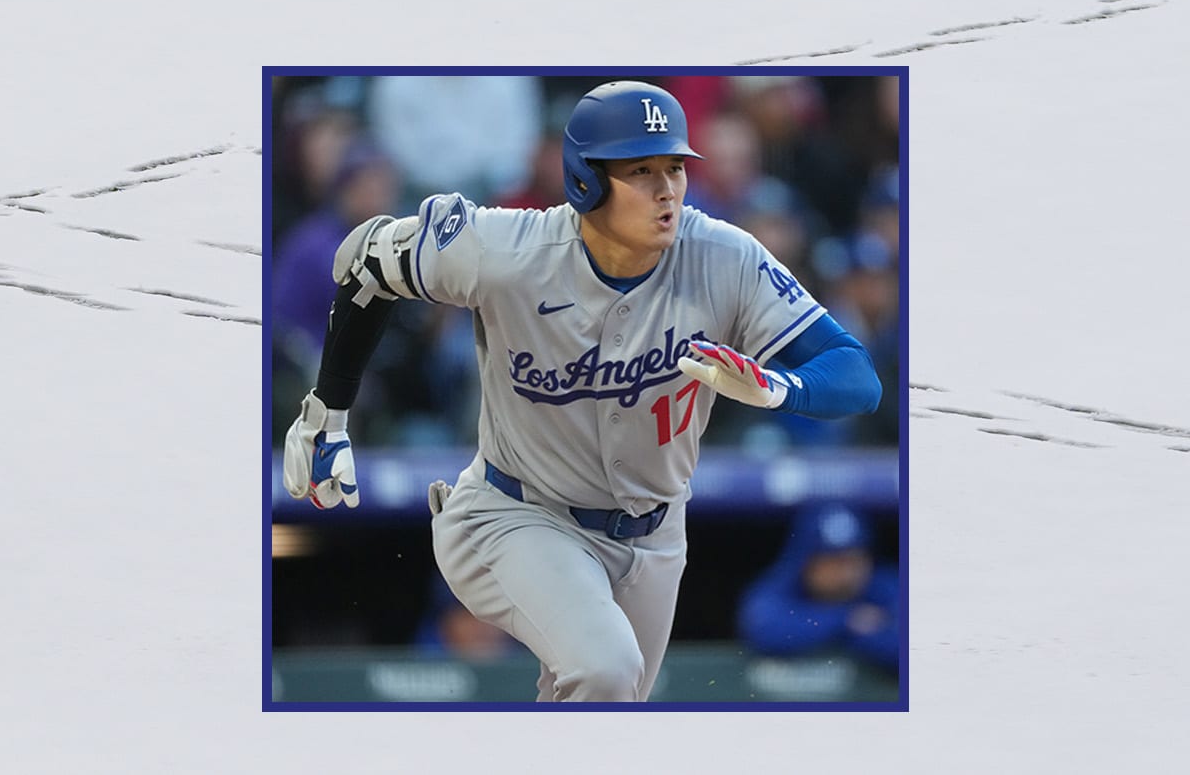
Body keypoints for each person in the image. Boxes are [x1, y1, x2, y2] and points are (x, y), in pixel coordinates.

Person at [280, 80, 883, 702]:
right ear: (585, 181)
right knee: (605, 670)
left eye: (675, 166)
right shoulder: (505, 247)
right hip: (518, 514)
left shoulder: (721, 254)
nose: (668, 189)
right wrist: (327, 413)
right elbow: (366, 261)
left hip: (655, 534)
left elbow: (856, 376)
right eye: (642, 170)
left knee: (607, 713)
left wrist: (777, 389)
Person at [736, 501, 900, 673]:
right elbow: (764, 630)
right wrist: (845, 620)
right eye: (835, 561)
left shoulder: (885, 586)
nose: (848, 572)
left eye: (856, 558)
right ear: (808, 561)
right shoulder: (784, 582)